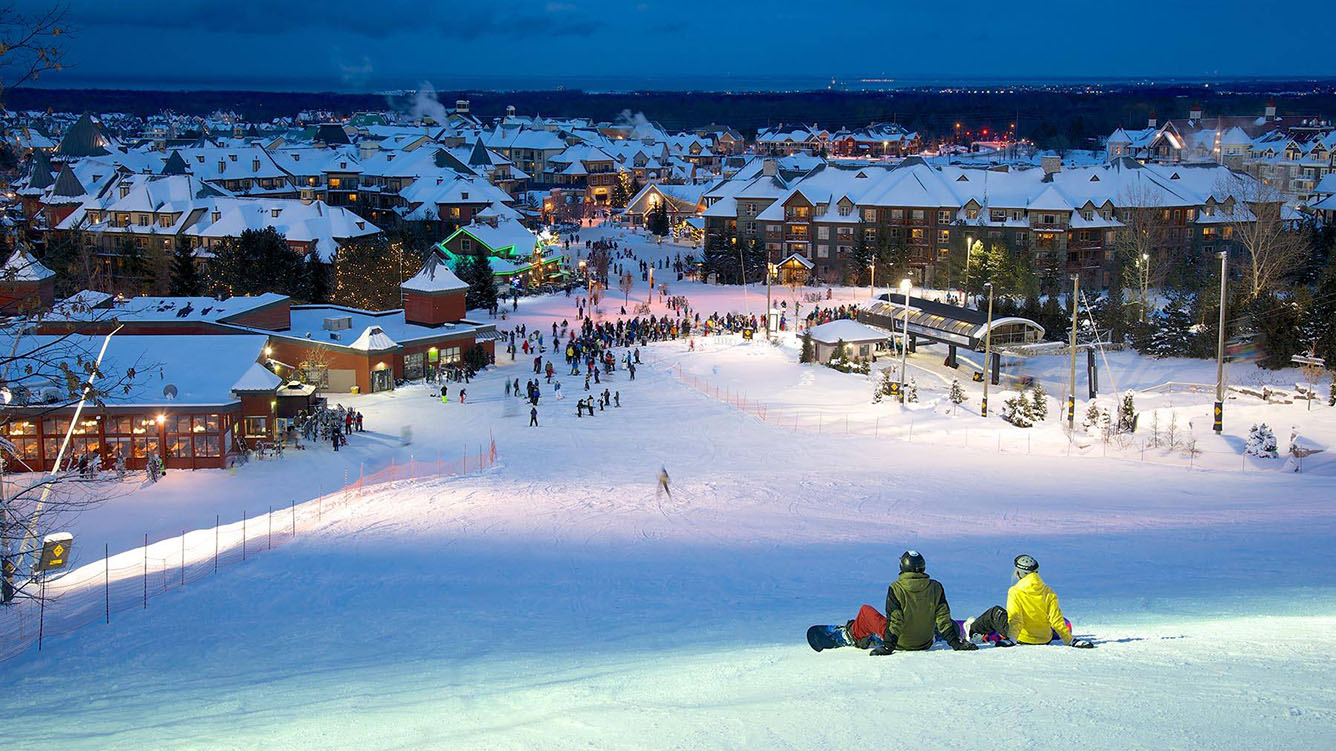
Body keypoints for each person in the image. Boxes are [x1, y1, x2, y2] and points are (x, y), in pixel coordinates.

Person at [963, 555, 1094, 649]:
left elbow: (1016, 619)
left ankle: (973, 631)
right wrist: (1070, 640)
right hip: (1045, 639)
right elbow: (1056, 620)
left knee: (995, 612)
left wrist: (1012, 639)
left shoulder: (1015, 591)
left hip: (1021, 637)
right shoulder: (1048, 591)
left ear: (1020, 573)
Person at [866, 551, 976, 655]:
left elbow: (895, 621)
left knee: (865, 611)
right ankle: (971, 629)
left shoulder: (896, 588)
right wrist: (956, 644)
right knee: (950, 624)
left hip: (899, 643)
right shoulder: (936, 587)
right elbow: (943, 618)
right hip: (925, 642)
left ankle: (857, 637)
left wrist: (888, 647)